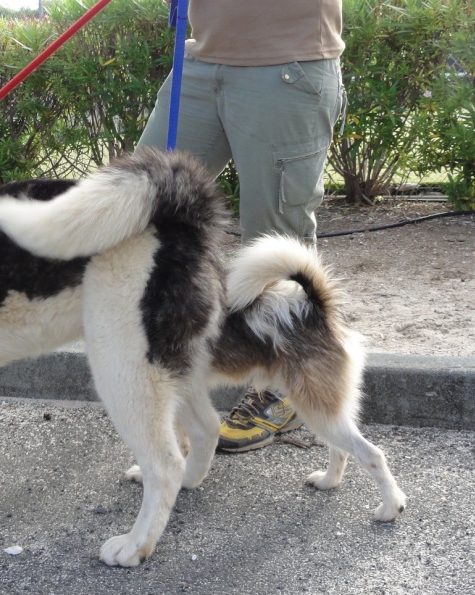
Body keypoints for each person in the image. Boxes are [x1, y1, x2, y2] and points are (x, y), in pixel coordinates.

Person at [136, 0, 347, 452]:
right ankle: (166, 369)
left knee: (274, 239)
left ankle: (284, 390)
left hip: (286, 64)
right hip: (199, 60)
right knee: (136, 209)